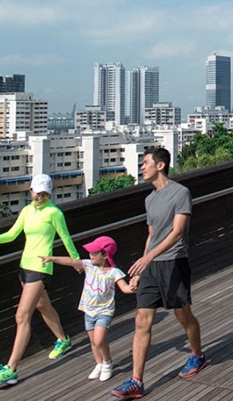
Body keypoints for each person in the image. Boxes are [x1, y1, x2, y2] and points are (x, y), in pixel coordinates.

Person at [112, 148, 207, 398]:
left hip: (174, 262)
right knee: (141, 320)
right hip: (151, 266)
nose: (142, 168)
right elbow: (152, 236)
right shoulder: (150, 199)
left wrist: (149, 257)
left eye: (145, 163)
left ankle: (197, 356)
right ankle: (136, 381)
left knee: (183, 315)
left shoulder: (180, 193)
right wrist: (139, 271)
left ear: (161, 165)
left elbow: (177, 232)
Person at [0, 174, 79, 386]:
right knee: (43, 306)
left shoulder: (54, 213)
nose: (39, 196)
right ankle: (63, 340)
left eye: (44, 193)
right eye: (36, 192)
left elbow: (66, 238)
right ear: (31, 191)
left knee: (21, 316)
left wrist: (77, 262)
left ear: (49, 193)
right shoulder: (26, 211)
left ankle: (11, 369)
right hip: (25, 267)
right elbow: (12, 234)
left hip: (40, 268)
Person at [43, 236, 139, 382]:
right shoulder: (88, 265)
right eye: (91, 252)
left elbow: (125, 288)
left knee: (99, 340)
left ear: (105, 255)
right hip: (88, 310)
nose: (91, 255)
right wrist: (52, 258)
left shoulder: (114, 272)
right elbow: (71, 262)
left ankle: (107, 363)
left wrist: (133, 288)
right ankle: (98, 364)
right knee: (93, 342)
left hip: (104, 312)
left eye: (95, 253)